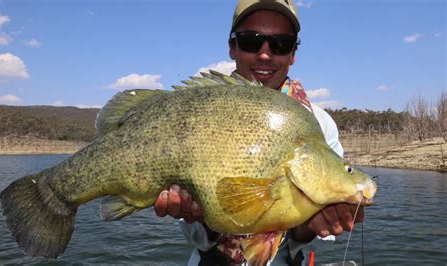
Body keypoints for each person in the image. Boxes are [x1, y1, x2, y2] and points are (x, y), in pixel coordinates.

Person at [154, 0, 365, 265]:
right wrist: (197, 213)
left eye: (281, 43)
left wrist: (311, 220)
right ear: (232, 47)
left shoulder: (320, 125)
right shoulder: (195, 113)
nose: (265, 55)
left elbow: (302, 234)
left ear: (293, 53)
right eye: (251, 41)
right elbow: (198, 230)